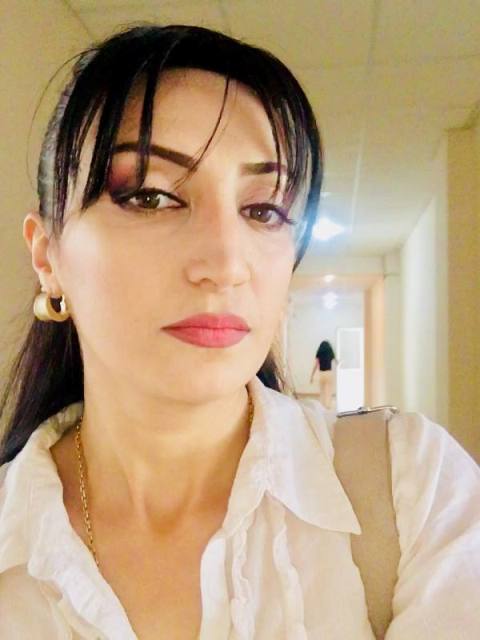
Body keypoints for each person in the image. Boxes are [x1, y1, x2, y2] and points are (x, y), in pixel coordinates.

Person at [0, 24, 479, 640]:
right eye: (150, 197)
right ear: (48, 256)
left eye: (263, 210)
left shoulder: (414, 489)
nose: (226, 263)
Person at [310, 340, 338, 409]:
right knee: (329, 391)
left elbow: (316, 365)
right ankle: (328, 405)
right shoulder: (330, 352)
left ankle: (322, 405)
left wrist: (312, 376)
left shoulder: (319, 353)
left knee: (322, 390)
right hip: (329, 373)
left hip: (322, 374)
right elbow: (336, 362)